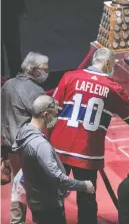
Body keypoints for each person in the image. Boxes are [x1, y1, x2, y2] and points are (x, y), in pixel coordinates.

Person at [50, 48, 129, 224]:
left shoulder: (69, 77)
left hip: (58, 146)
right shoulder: (112, 88)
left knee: (53, 195)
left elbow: (51, 111)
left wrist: (44, 140)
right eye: (113, 65)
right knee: (87, 198)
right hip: (87, 152)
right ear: (106, 63)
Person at [12, 95, 95, 224]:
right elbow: (57, 177)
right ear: (45, 115)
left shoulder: (24, 131)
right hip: (48, 205)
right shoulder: (40, 144)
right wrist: (83, 185)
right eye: (55, 115)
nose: (56, 119)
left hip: (36, 198)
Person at [1, 51, 49, 223]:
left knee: (17, 186)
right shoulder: (36, 91)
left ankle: (16, 221)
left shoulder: (7, 85)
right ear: (34, 70)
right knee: (36, 187)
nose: (47, 72)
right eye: (44, 69)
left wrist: (3, 152)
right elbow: (46, 121)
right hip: (29, 148)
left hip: (11, 146)